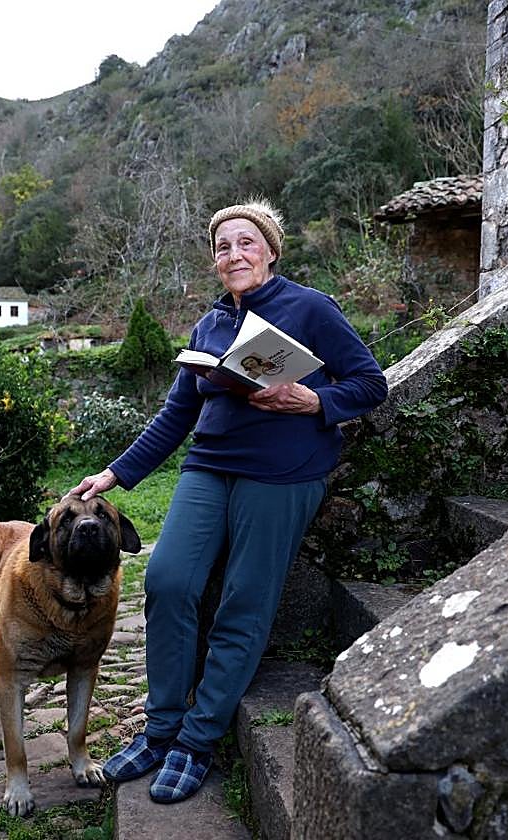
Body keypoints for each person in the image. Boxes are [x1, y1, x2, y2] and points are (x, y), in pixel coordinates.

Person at [66, 199, 387, 804]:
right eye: (222, 247)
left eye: (246, 243)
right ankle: (160, 729)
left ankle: (198, 738)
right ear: (214, 261)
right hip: (210, 466)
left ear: (269, 250)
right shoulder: (210, 326)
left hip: (284, 472)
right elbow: (176, 415)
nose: (233, 254)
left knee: (244, 600)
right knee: (166, 579)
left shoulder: (310, 307)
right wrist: (116, 474)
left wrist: (313, 402)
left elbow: (370, 383)